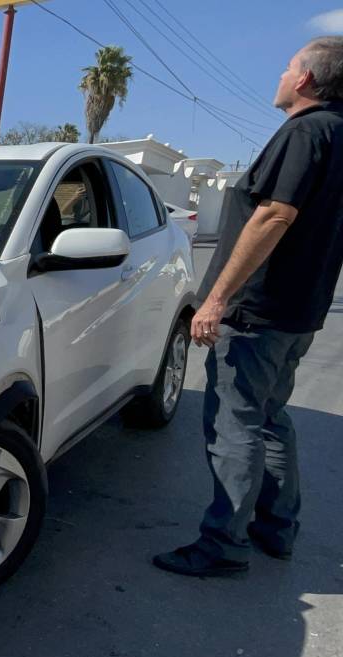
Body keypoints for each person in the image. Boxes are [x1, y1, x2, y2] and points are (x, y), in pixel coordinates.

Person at [153, 37, 343, 577]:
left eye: (287, 67)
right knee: (269, 419)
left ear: (305, 80)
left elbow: (273, 215)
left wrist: (216, 299)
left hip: (258, 313)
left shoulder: (306, 131)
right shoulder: (338, 134)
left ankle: (223, 544)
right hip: (300, 312)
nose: (280, 75)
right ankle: (276, 529)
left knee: (233, 427)